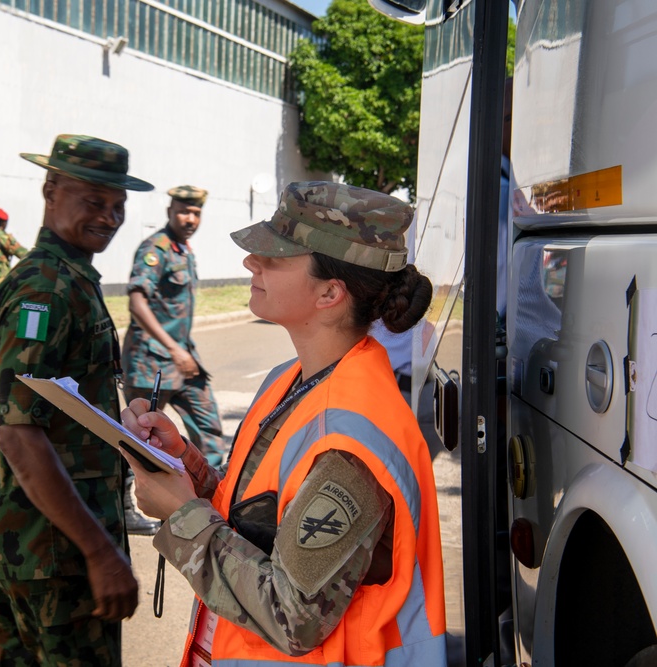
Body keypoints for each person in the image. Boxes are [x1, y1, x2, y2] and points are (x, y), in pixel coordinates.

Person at [121, 182, 447, 666]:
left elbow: (293, 617)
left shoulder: (351, 441)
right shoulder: (294, 380)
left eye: (274, 256)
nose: (252, 263)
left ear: (330, 292)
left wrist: (182, 513)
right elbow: (262, 522)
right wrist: (186, 469)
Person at [0, 134, 154, 665]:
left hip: (28, 542)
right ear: (51, 192)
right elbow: (20, 434)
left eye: (118, 207)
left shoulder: (66, 279)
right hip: (51, 552)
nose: (109, 218)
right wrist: (100, 552)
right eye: (94, 202)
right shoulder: (46, 291)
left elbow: (55, 406)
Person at [120, 184, 226, 535]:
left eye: (196, 213)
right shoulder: (156, 249)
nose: (190, 218)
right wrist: (173, 348)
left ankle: (216, 500)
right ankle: (126, 508)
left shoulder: (184, 250)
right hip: (150, 361)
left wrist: (182, 351)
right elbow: (137, 301)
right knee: (138, 439)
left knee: (208, 424)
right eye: (184, 210)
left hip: (183, 360)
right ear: (169, 211)